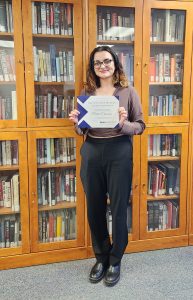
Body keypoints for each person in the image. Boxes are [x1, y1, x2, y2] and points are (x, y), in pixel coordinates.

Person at [69, 45, 145, 287]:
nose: (103, 66)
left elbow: (141, 125)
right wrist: (76, 123)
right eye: (98, 63)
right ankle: (101, 257)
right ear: (93, 67)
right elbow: (82, 129)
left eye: (107, 61)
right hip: (92, 151)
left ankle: (115, 259)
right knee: (94, 207)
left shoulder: (128, 91)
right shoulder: (87, 92)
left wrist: (123, 124)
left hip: (119, 150)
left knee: (120, 206)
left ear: (115, 64)